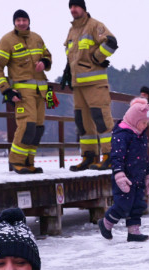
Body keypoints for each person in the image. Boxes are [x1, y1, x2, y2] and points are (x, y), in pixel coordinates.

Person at [0, 9, 52, 174]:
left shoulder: (37, 38)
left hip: (41, 91)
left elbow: (48, 56)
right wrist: (7, 91)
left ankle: (29, 162)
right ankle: (17, 161)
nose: (21, 23)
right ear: (14, 23)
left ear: (28, 21)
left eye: (24, 20)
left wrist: (45, 62)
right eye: (18, 20)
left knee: (38, 129)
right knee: (27, 126)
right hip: (23, 93)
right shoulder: (7, 40)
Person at [61, 0, 117, 171]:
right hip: (78, 85)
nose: (73, 9)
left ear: (83, 8)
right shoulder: (72, 31)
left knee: (101, 119)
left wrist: (96, 58)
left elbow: (111, 43)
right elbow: (71, 55)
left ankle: (110, 156)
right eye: (71, 7)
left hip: (95, 83)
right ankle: (90, 157)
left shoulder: (95, 25)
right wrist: (67, 72)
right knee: (82, 122)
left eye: (76, 6)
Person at [98, 98, 149, 243]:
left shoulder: (140, 135)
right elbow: (116, 157)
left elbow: (144, 158)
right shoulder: (122, 134)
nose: (144, 126)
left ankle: (134, 231)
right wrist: (119, 174)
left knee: (138, 205)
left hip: (139, 176)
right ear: (135, 119)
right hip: (125, 177)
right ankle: (106, 223)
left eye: (146, 123)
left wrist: (148, 175)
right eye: (143, 123)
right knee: (123, 204)